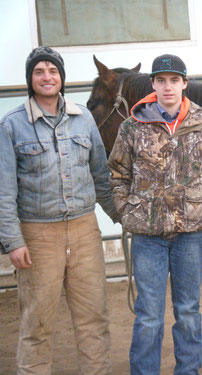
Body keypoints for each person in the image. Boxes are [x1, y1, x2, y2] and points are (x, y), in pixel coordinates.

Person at [107, 53, 202, 375]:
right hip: (148, 238)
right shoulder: (132, 127)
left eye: (174, 80)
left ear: (184, 83)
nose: (168, 86)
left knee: (188, 310)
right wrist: (127, 211)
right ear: (153, 84)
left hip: (189, 235)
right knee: (149, 313)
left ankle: (187, 371)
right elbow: (117, 173)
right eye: (161, 80)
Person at [0, 46, 119, 374]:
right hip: (38, 236)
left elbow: (102, 177)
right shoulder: (11, 126)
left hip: (84, 232)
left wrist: (125, 217)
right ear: (30, 79)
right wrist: (13, 241)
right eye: (39, 72)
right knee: (37, 323)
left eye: (53, 71)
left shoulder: (84, 120)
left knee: (94, 319)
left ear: (62, 78)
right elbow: (4, 189)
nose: (46, 77)